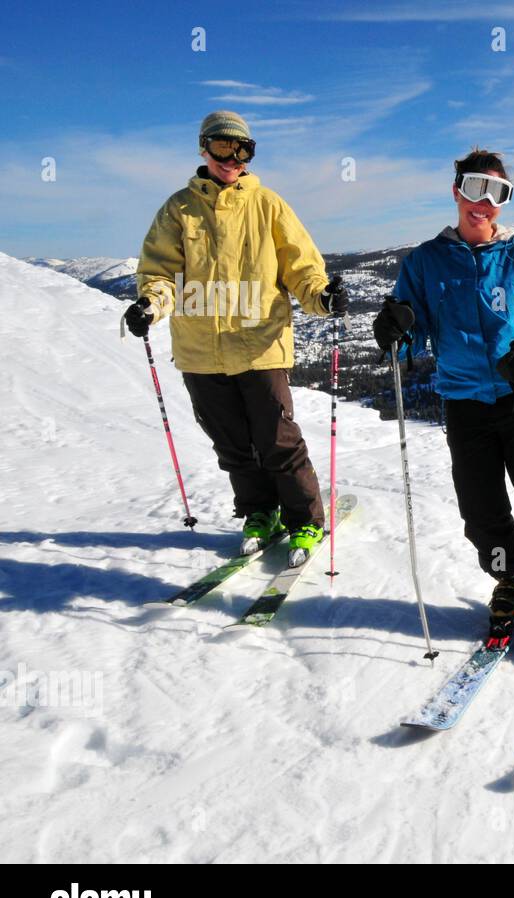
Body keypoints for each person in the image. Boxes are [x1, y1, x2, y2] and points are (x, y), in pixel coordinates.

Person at [372, 148, 514, 666]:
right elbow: (412, 336)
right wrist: (395, 330)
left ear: (504, 203)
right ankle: (512, 577)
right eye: (474, 188)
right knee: (481, 508)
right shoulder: (424, 263)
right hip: (464, 402)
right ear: (456, 192)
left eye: (497, 194)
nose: (484, 203)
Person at [125, 111, 347, 566]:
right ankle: (260, 512)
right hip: (200, 351)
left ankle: (303, 517)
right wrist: (151, 304)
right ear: (204, 148)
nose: (234, 158)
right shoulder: (178, 209)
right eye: (224, 147)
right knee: (231, 443)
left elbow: (301, 267)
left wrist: (322, 296)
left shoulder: (268, 205)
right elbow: (160, 272)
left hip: (260, 344)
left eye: (243, 149)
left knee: (277, 437)